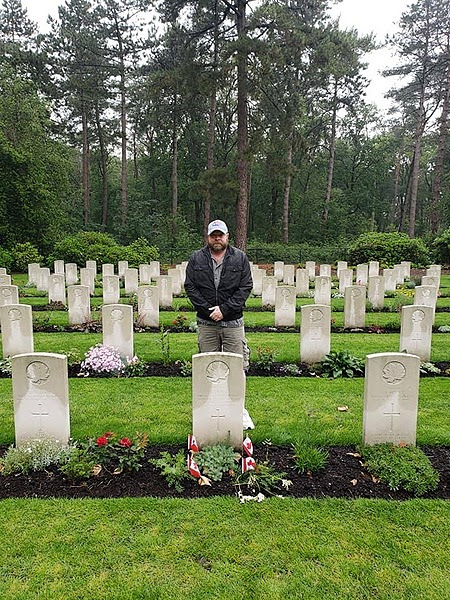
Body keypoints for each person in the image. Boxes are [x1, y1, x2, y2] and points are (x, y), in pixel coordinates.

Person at [185, 219, 253, 363]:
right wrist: (208, 310)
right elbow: (190, 287)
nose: (217, 238)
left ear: (227, 236)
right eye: (213, 235)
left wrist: (224, 309)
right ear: (208, 237)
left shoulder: (240, 258)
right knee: (208, 367)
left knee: (236, 366)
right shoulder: (196, 258)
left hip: (233, 321)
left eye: (220, 235)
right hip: (206, 322)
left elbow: (245, 287)